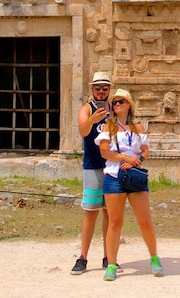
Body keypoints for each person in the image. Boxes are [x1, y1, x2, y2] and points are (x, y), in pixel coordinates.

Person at [96, 88, 163, 281]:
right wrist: (125, 157)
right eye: (114, 102)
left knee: (145, 220)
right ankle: (111, 264)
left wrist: (138, 159)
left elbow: (145, 150)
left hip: (134, 175)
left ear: (129, 105)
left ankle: (154, 257)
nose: (117, 105)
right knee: (115, 222)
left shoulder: (138, 128)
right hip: (114, 176)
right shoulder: (108, 127)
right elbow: (104, 152)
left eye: (121, 102)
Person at [71, 71, 113, 275]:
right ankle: (83, 257)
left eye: (105, 88)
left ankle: (108, 257)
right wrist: (93, 120)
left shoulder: (115, 109)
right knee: (90, 212)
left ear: (110, 90)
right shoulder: (86, 109)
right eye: (98, 88)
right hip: (93, 165)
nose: (101, 91)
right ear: (92, 89)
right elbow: (82, 131)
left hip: (112, 167)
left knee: (110, 213)